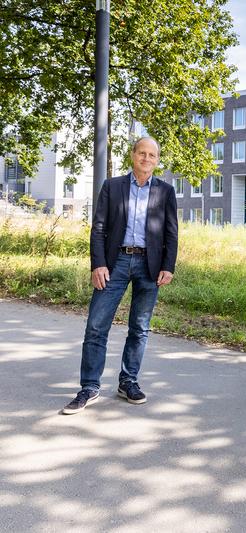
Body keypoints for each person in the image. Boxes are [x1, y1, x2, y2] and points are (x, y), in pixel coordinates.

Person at [62, 137, 178, 414]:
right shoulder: (112, 186)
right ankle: (89, 386)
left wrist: (168, 265)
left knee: (140, 328)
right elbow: (99, 228)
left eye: (152, 155)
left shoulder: (165, 191)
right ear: (133, 155)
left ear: (157, 159)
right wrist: (98, 264)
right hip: (115, 263)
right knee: (96, 326)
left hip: (149, 266)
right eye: (142, 153)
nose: (146, 158)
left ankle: (128, 381)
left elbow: (171, 232)